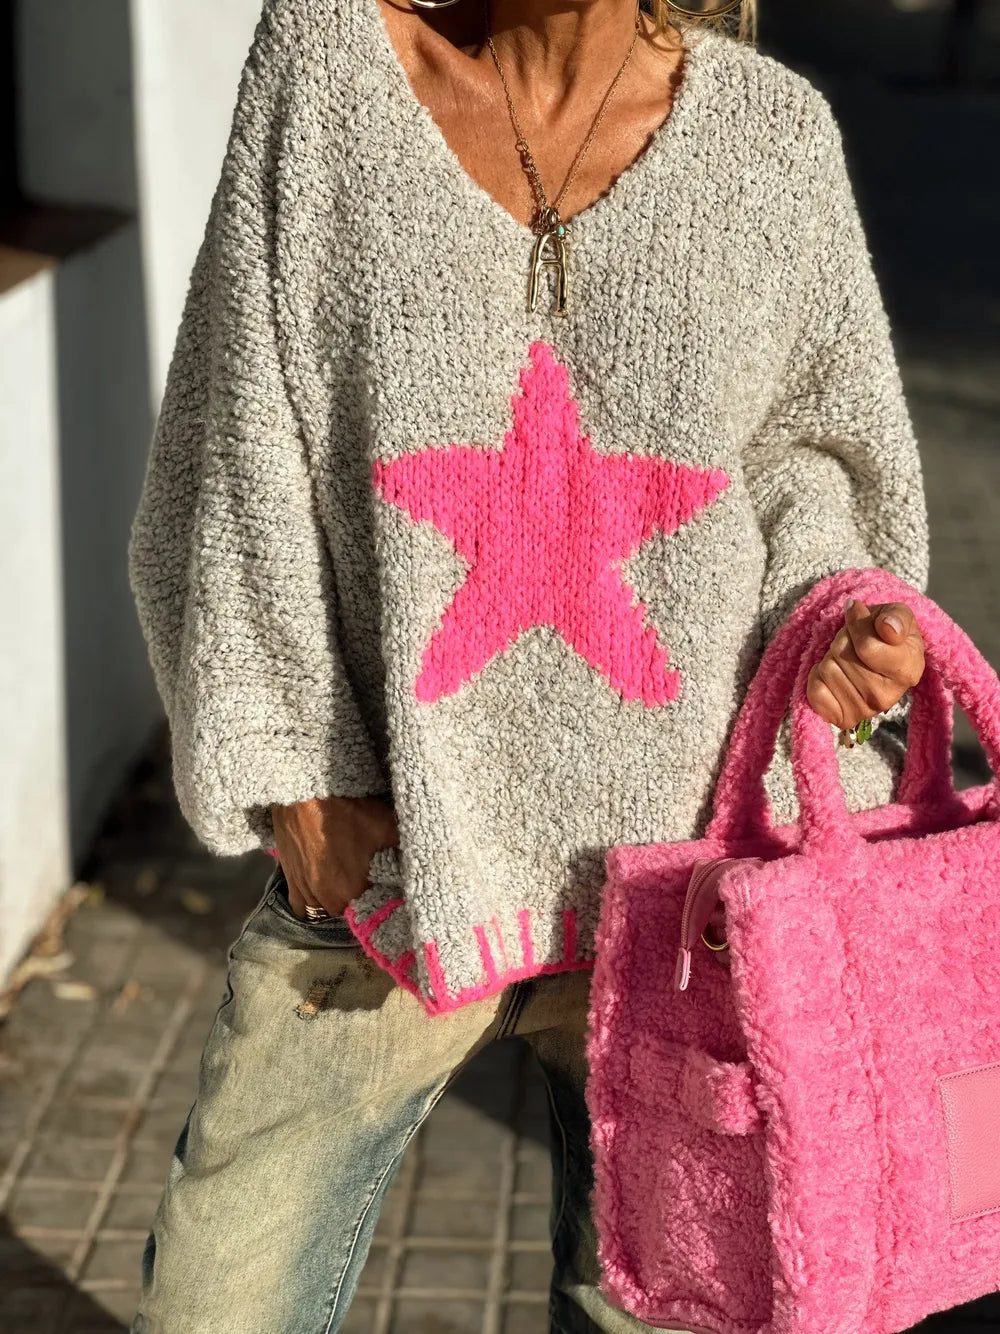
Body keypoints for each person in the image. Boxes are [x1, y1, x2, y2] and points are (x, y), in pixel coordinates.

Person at [126, 0, 929, 1329]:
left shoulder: (776, 145)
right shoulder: (326, 67)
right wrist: (296, 784)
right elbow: (232, 437)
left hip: (689, 904)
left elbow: (816, 479)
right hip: (387, 874)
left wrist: (840, 635)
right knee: (219, 1306)